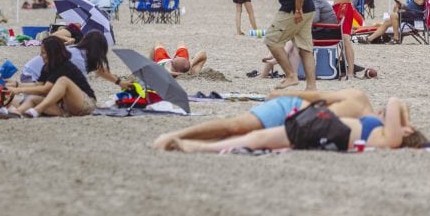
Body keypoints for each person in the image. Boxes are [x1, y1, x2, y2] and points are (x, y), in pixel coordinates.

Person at [167, 97, 430, 153]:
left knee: (257, 137)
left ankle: (190, 144)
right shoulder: (378, 127)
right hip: (318, 124)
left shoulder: (389, 138)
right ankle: (192, 144)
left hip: (319, 125)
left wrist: (404, 125)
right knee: (257, 138)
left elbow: (397, 102)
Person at [153, 88, 384, 150]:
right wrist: (283, 94)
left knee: (240, 136)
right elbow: (319, 95)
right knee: (236, 126)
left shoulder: (365, 132)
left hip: (297, 126)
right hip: (290, 108)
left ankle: (184, 144)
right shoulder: (358, 100)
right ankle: (175, 135)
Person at [5, 36, 97, 118]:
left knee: (63, 80)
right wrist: (16, 85)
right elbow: (38, 85)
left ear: (52, 53)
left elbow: (45, 89)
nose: (41, 56)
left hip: (85, 104)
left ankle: (37, 110)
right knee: (33, 98)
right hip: (66, 108)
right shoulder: (47, 67)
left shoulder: (65, 66)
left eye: (44, 53)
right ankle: (17, 113)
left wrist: (18, 90)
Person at [20, 29, 121, 86]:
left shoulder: (78, 51)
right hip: (31, 77)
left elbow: (99, 70)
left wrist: (119, 82)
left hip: (30, 72)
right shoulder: (79, 59)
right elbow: (81, 86)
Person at [360, 0, 430, 44]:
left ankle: (396, 38)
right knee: (386, 22)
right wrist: (402, 5)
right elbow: (413, 5)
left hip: (416, 17)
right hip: (410, 14)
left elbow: (420, 2)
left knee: (394, 15)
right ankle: (369, 39)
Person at [324, 0, 361, 78]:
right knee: (343, 39)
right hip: (344, 7)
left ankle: (350, 71)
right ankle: (347, 69)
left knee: (345, 39)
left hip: (342, 8)